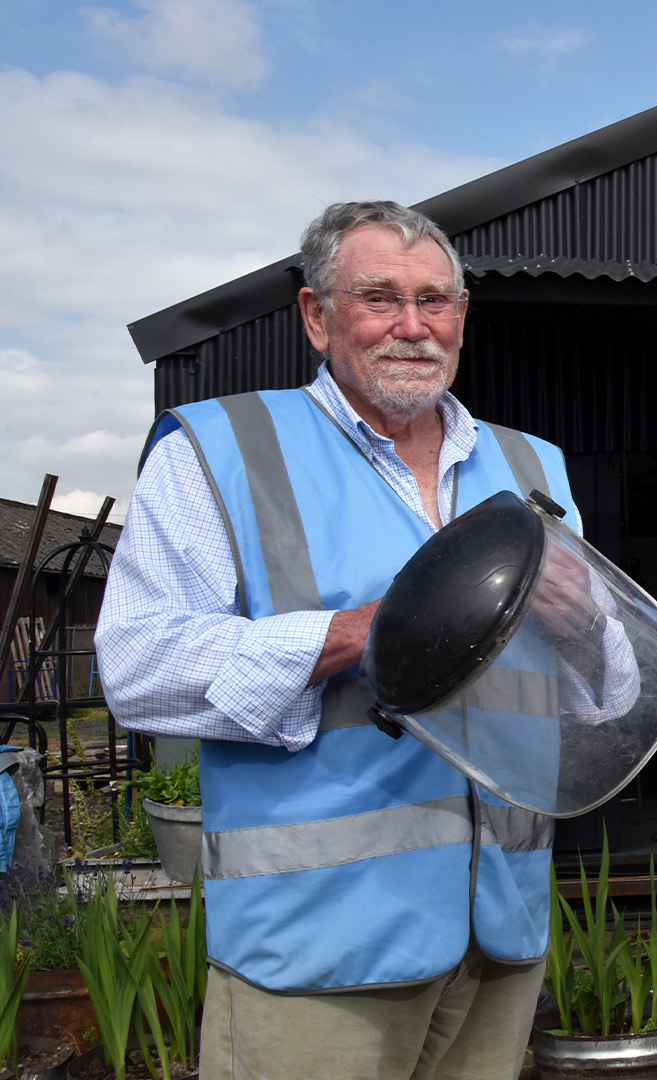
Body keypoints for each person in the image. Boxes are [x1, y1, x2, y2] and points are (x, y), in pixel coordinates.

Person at [98, 200, 578, 1080]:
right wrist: (361, 633)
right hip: (318, 945)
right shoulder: (223, 447)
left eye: (435, 300)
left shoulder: (533, 470)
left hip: (500, 927)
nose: (412, 325)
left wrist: (588, 631)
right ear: (317, 316)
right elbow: (138, 670)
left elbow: (597, 694)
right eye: (379, 298)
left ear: (463, 318)